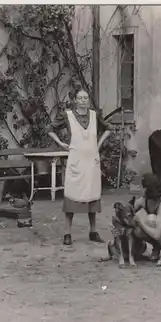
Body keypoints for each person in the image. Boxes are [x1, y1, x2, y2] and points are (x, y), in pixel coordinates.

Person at [47, 87, 115, 246]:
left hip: (91, 160)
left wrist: (98, 144)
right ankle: (67, 233)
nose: (83, 100)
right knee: (72, 195)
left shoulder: (94, 115)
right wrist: (61, 143)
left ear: (88, 100)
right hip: (76, 160)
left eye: (85, 98)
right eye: (80, 98)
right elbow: (49, 129)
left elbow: (109, 128)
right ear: (75, 100)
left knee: (92, 195)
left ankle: (93, 231)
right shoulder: (68, 115)